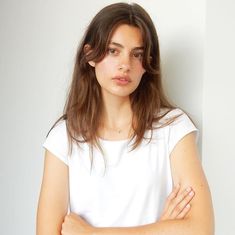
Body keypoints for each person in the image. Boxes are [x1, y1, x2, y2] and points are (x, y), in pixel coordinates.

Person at [36, 2, 214, 235]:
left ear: (146, 64)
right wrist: (161, 230)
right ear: (90, 54)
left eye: (136, 54)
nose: (125, 65)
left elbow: (202, 229)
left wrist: (92, 233)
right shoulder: (64, 137)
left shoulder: (173, 128)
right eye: (113, 50)